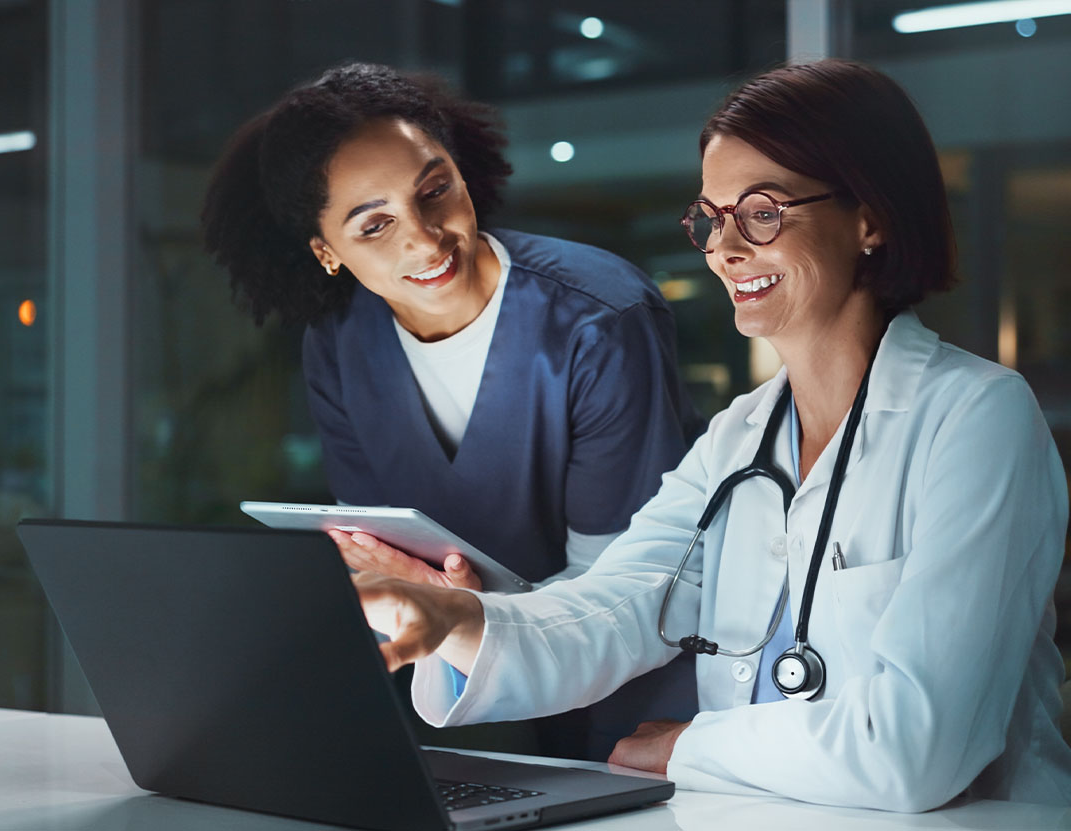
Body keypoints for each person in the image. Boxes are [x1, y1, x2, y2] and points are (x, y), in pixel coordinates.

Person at [351, 59, 1071, 811]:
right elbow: (619, 607)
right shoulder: (741, 438)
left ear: (870, 216)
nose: (724, 249)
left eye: (762, 212)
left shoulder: (978, 416)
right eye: (710, 217)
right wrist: (452, 619)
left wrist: (683, 746)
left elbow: (916, 748)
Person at [200, 62, 706, 760]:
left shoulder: (598, 319)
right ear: (327, 252)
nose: (425, 238)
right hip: (469, 708)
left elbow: (623, 593)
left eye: (434, 190)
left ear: (462, 173)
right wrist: (428, 600)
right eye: (373, 225)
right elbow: (382, 560)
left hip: (630, 709)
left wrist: (458, 606)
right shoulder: (341, 344)